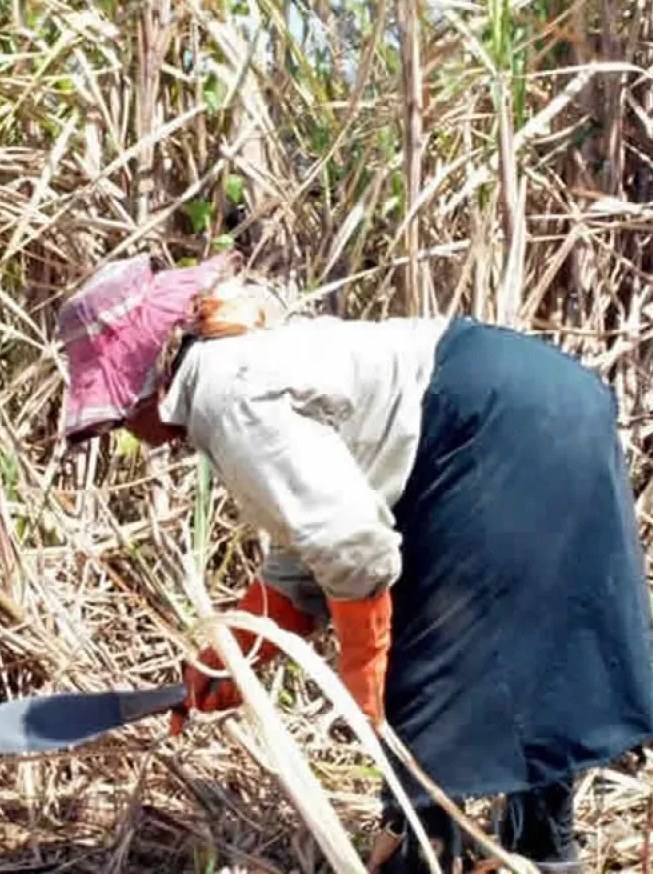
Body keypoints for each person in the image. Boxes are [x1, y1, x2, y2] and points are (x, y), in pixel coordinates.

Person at [55, 251, 653, 872]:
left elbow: (352, 547)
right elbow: (315, 532)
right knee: (533, 660)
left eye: (119, 417)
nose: (129, 432)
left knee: (424, 699)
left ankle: (428, 853)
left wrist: (364, 680)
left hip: (487, 425)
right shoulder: (233, 361)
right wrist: (238, 652)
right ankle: (542, 853)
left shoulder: (221, 392)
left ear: (145, 382)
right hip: (547, 400)